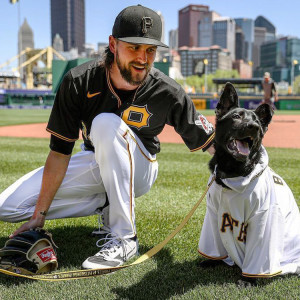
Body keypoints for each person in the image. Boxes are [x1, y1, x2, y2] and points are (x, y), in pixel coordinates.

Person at [0, 5, 215, 269]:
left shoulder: (167, 91)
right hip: (95, 161)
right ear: (113, 45)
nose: (142, 58)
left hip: (142, 168)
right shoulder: (79, 82)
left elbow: (210, 141)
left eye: (150, 50)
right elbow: (59, 152)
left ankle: (125, 238)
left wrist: (245, 168)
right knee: (8, 208)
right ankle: (107, 204)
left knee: (104, 123)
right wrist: (39, 216)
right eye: (133, 47)